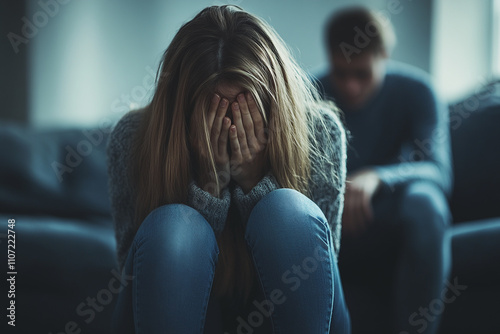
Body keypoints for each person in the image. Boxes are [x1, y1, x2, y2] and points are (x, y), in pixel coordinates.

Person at [107, 5, 351, 333]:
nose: (232, 129)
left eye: (245, 112)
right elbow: (135, 275)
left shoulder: (321, 131)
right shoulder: (132, 137)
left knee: (286, 213)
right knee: (174, 227)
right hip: (182, 311)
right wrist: (209, 187)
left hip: (286, 313)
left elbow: (317, 279)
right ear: (183, 111)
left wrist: (254, 184)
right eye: (217, 114)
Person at [317, 7, 452, 334]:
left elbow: (438, 172)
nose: (350, 87)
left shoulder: (419, 90)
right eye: (341, 73)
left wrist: (377, 177)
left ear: (384, 56)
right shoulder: (309, 92)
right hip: (332, 225)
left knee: (426, 202)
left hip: (395, 217)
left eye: (362, 74)